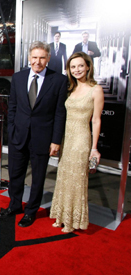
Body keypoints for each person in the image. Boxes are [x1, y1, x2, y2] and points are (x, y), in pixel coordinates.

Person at [0, 41, 67, 227]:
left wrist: (55, 140)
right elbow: (12, 107)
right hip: (18, 135)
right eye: (34, 57)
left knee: (38, 177)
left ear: (48, 59)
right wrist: (11, 129)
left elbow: (60, 113)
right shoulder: (18, 78)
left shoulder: (59, 80)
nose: (38, 61)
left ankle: (31, 211)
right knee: (15, 173)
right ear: (29, 58)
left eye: (42, 57)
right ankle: (14, 205)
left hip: (42, 137)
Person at [50, 52, 104, 233]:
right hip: (67, 138)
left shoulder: (96, 89)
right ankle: (62, 217)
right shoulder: (70, 88)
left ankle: (73, 221)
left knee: (77, 179)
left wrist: (94, 148)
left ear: (88, 66)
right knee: (64, 177)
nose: (77, 70)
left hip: (81, 138)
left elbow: (96, 120)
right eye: (73, 67)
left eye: (81, 66)